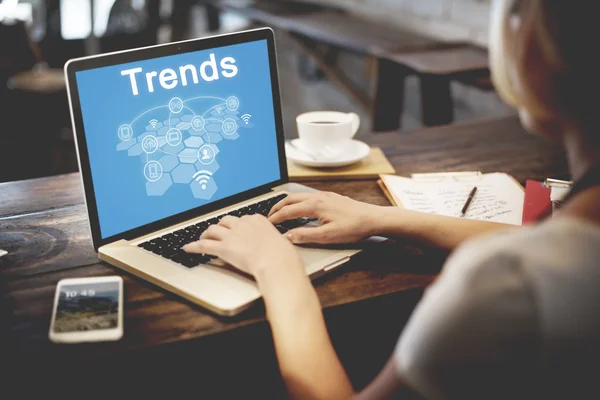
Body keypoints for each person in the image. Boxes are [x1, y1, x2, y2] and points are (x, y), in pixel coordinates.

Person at [184, 0, 600, 398]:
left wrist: (276, 268)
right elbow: (536, 241)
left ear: (553, 50)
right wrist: (386, 218)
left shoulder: (504, 284)